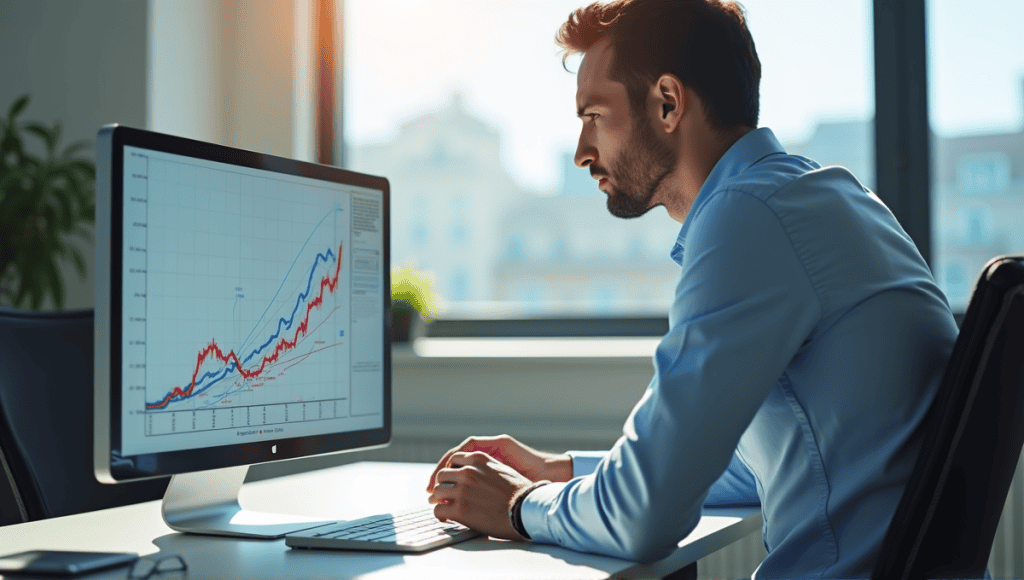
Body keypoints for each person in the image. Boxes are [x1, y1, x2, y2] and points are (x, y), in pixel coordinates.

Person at [425, 0, 958, 577]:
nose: (582, 151)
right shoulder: (820, 197)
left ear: (668, 103)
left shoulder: (748, 216)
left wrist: (516, 505)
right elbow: (763, 463)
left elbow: (644, 517)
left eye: (595, 115)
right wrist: (561, 470)